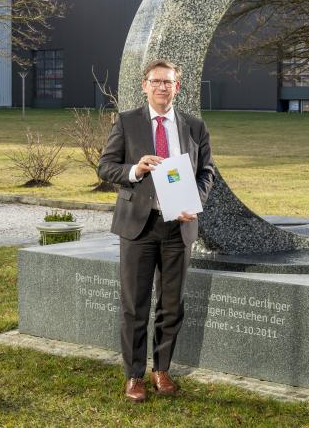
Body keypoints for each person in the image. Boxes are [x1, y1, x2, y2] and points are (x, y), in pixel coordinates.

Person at [98, 59, 215, 403]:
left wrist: (194, 203)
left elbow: (206, 172)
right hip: (139, 227)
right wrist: (135, 169)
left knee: (171, 304)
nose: (162, 87)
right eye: (156, 81)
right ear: (144, 85)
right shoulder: (127, 122)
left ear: (178, 87)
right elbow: (106, 166)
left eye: (169, 82)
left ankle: (161, 369)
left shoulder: (194, 126)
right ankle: (134, 375)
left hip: (179, 227)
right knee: (135, 304)